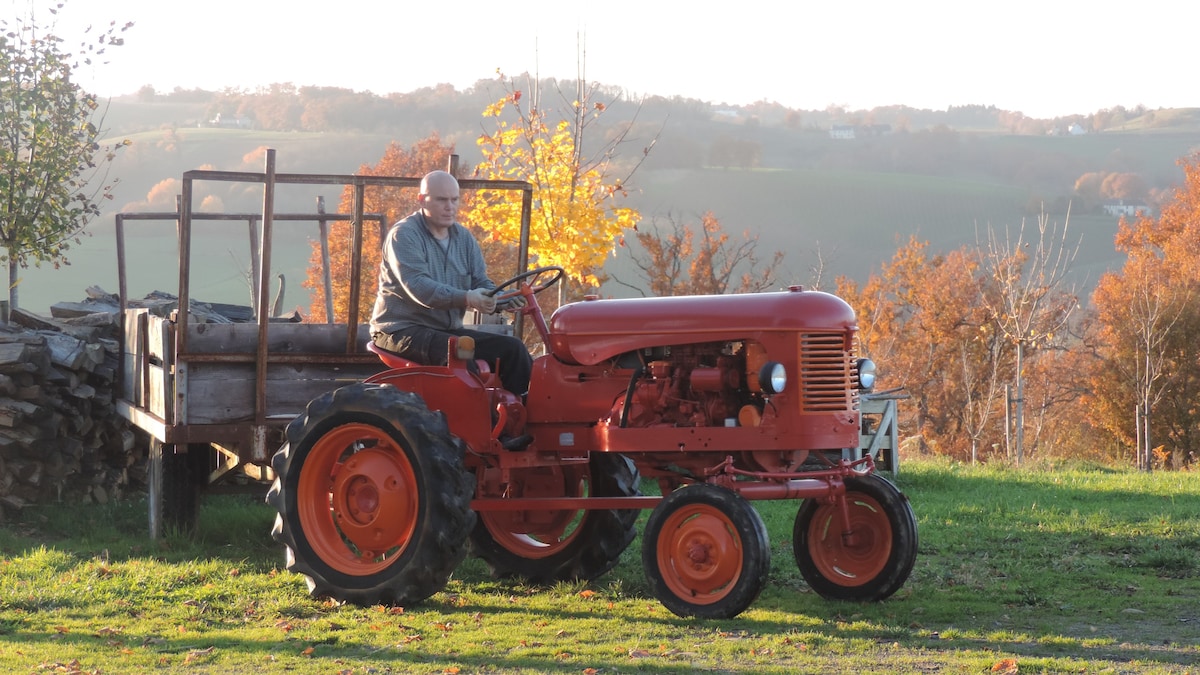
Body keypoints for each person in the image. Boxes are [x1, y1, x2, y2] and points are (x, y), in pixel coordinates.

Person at [369, 170, 532, 396]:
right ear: (422, 199)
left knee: (513, 349)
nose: (450, 207)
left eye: (454, 200)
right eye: (441, 200)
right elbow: (419, 287)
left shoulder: (463, 239)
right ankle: (481, 425)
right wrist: (467, 298)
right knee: (461, 356)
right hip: (400, 330)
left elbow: (481, 281)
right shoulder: (404, 235)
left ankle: (524, 416)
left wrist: (504, 298)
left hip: (446, 331)